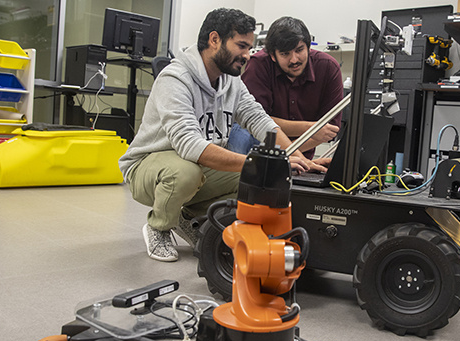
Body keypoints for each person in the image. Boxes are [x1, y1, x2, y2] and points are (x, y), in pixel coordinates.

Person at [119, 8, 324, 262]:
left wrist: (297, 156)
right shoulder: (175, 79)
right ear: (215, 40)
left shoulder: (231, 81)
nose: (248, 55)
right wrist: (259, 161)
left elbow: (258, 119)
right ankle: (159, 227)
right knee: (187, 173)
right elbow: (190, 146)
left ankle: (188, 218)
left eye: (250, 47)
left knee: (258, 180)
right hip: (149, 165)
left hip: (197, 164)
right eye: (241, 45)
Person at [228, 16, 344, 161]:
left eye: (299, 50)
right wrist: (310, 129)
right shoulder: (259, 65)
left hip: (300, 158)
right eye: (285, 54)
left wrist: (293, 157)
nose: (294, 59)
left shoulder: (328, 67)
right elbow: (256, 121)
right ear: (273, 56)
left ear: (308, 47)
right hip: (259, 154)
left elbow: (329, 130)